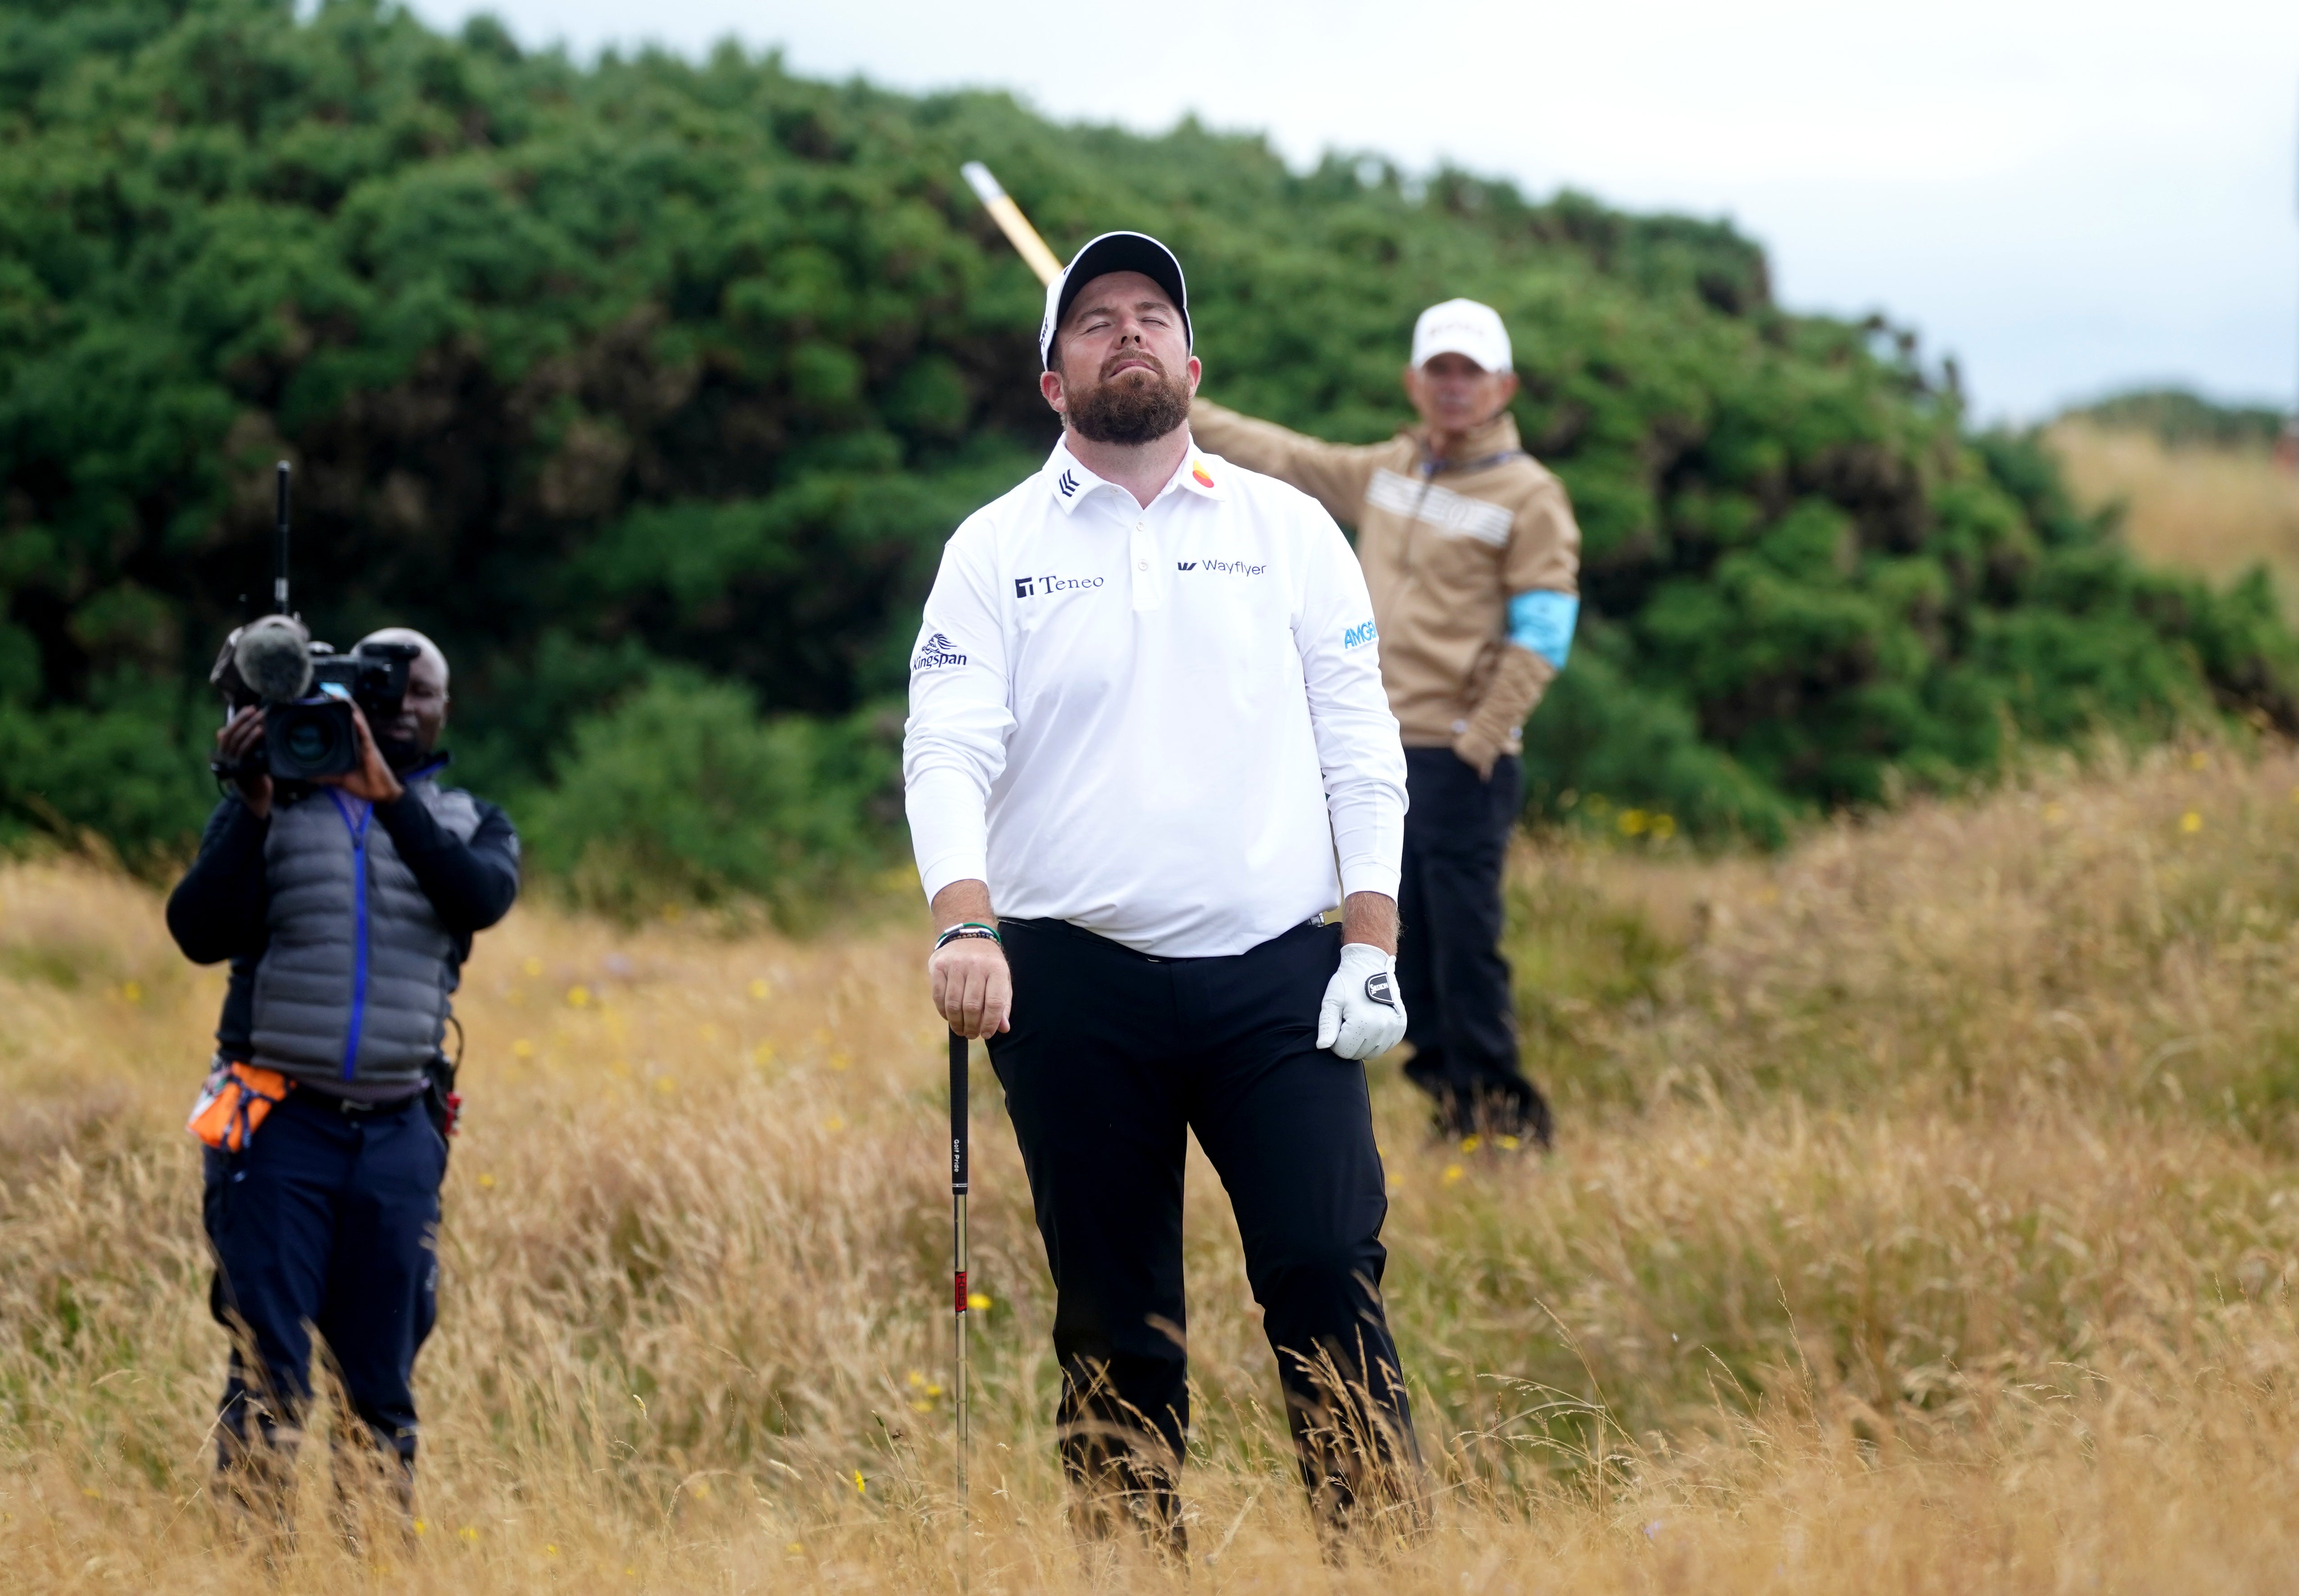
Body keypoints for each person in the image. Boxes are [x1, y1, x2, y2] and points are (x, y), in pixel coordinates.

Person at [904, 232, 1423, 1548]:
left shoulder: (1288, 528)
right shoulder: (992, 545)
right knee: (1117, 1315)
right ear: (1051, 378)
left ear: (1193, 363)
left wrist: (1372, 938)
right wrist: (964, 919)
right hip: (1071, 977)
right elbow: (948, 745)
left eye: (1150, 315)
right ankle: (1133, 1569)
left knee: (1321, 1268)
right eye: (1092, 321)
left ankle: (1384, 1564)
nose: (1124, 333)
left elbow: (1361, 743)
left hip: (1277, 974)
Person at [1189, 300, 1581, 1148]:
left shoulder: (1530, 494)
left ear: (1501, 386)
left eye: (1469, 372)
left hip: (1460, 758)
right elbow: (1286, 455)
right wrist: (1183, 401)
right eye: (1438, 370)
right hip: (1374, 753)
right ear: (1413, 381)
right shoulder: (1391, 471)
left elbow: (1545, 630)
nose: (1452, 386)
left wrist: (1482, 734)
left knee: (1465, 942)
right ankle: (1451, 1103)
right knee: (1401, 937)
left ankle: (1501, 1115)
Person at [165, 628, 518, 1542]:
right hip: (277, 1126)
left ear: (446, 708)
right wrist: (247, 806)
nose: (402, 702)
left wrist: (390, 800)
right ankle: (255, 1567)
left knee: (380, 1379)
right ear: (339, 691)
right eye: (379, 684)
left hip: (401, 1129)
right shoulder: (274, 805)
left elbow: (479, 899)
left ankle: (372, 1566)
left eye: (420, 689)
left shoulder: (469, 820)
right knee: (270, 1370)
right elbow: (199, 932)